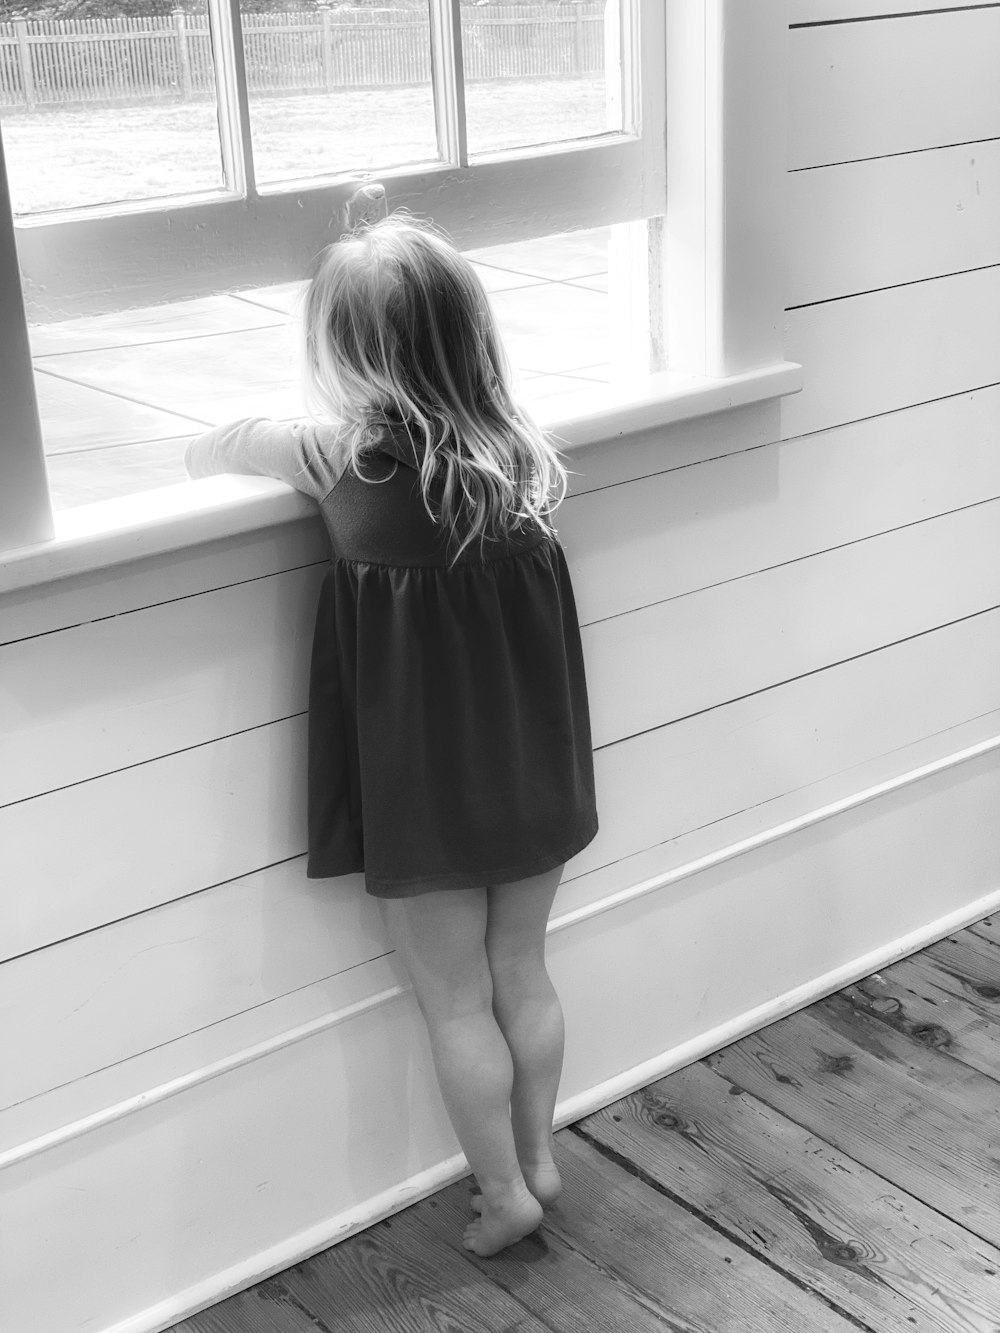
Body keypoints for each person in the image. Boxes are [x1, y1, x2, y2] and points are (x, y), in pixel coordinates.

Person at [185, 213, 599, 1257]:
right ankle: (541, 1153)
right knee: (525, 971)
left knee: (456, 999)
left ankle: (504, 1190)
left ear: (344, 352)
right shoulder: (519, 459)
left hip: (427, 790)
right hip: (530, 768)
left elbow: (215, 442)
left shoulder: (335, 454)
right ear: (473, 335)